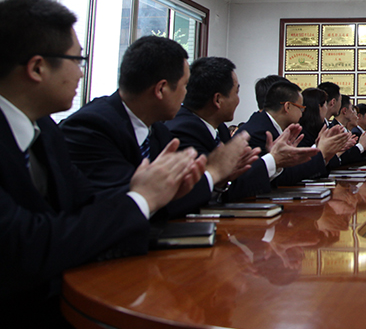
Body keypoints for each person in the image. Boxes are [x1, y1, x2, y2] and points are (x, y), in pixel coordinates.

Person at [0, 0, 204, 329]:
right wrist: (142, 198)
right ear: (37, 68)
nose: (81, 72)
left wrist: (156, 192)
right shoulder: (82, 124)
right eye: (77, 60)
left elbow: (86, 204)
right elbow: (24, 246)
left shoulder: (45, 130)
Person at [61, 36, 255, 219]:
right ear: (161, 89)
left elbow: (177, 195)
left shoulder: (159, 131)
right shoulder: (92, 127)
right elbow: (136, 203)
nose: (187, 95)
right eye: (184, 86)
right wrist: (213, 172)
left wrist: (218, 180)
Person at [166, 57, 317, 199]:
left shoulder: (220, 129)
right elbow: (200, 193)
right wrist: (273, 160)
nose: (238, 100)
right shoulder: (183, 131)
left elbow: (233, 183)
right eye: (236, 93)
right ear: (218, 100)